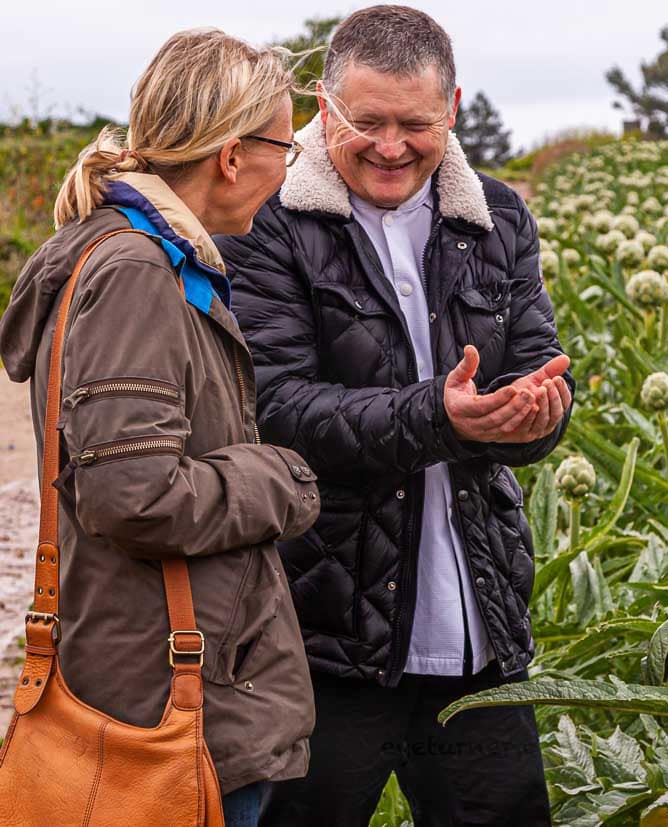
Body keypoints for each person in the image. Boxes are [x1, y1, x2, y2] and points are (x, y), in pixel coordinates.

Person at [214, 6, 572, 825]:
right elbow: (273, 410)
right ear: (322, 104)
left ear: (452, 108)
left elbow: (536, 364)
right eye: (365, 122)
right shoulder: (266, 219)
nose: (390, 145)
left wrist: (536, 414)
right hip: (322, 634)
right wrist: (441, 419)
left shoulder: (497, 217)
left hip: (478, 629)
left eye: (416, 123)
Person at [0, 29, 321, 827]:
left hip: (151, 670)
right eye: (285, 145)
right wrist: (280, 479)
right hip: (162, 695)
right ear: (232, 155)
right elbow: (131, 492)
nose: (291, 168)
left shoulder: (142, 258)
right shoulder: (138, 272)